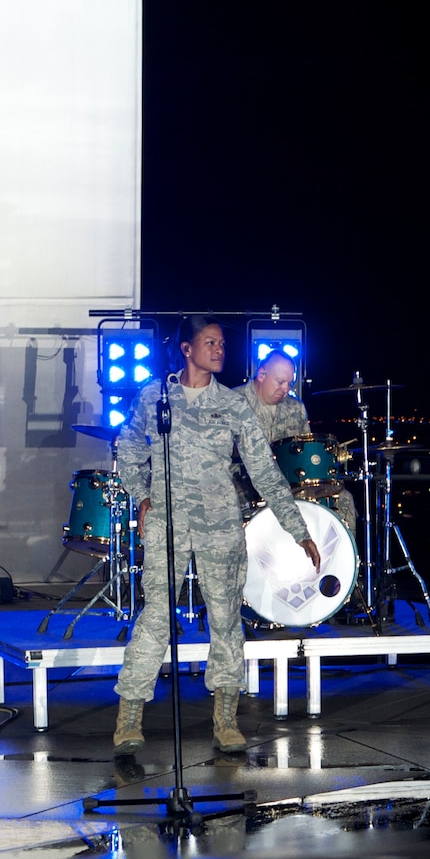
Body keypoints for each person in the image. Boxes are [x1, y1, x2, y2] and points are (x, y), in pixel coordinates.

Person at [116, 317, 321, 754]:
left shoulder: (231, 405)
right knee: (155, 617)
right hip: (168, 522)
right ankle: (129, 717)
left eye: (222, 343)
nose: (219, 349)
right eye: (209, 342)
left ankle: (226, 719)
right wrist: (139, 495)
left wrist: (297, 527)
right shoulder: (156, 397)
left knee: (226, 620)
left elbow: (263, 468)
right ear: (187, 349)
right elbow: (128, 447)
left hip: (221, 525)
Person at [238, 350, 363, 585]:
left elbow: (305, 451)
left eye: (290, 382)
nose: (286, 388)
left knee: (343, 499)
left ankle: (340, 581)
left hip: (289, 485)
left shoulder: (295, 407)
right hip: (244, 483)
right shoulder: (235, 403)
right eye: (280, 382)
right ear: (262, 374)